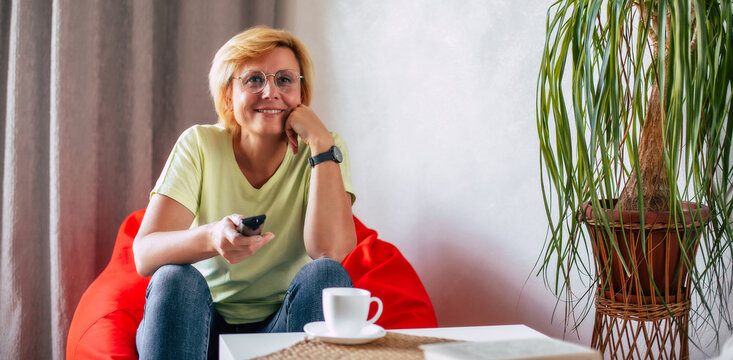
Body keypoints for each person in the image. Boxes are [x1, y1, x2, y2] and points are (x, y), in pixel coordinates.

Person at [132, 26, 357, 360]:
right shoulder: (200, 144)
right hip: (200, 324)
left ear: (301, 94)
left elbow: (330, 251)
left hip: (284, 328)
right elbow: (145, 254)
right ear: (227, 96)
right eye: (254, 79)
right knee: (173, 278)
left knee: (325, 274)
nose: (270, 92)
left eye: (285, 80)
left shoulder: (325, 147)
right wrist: (212, 237)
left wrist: (322, 145)